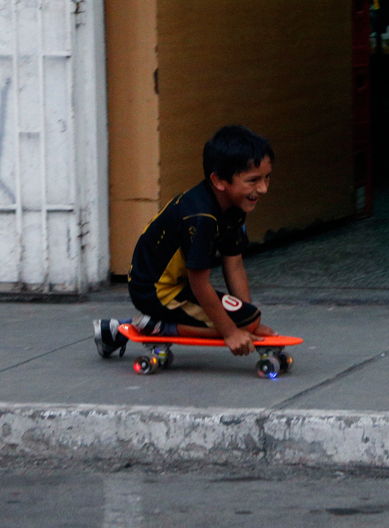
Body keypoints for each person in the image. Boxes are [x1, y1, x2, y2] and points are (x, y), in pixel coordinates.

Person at [94, 124, 278, 359]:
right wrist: (232, 331)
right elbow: (199, 284)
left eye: (266, 178)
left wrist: (247, 318)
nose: (262, 188)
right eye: (253, 180)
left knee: (250, 319)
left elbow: (234, 264)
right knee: (236, 326)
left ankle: (117, 330)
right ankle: (156, 327)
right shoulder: (201, 218)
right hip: (156, 290)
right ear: (219, 180)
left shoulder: (234, 205)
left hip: (179, 285)